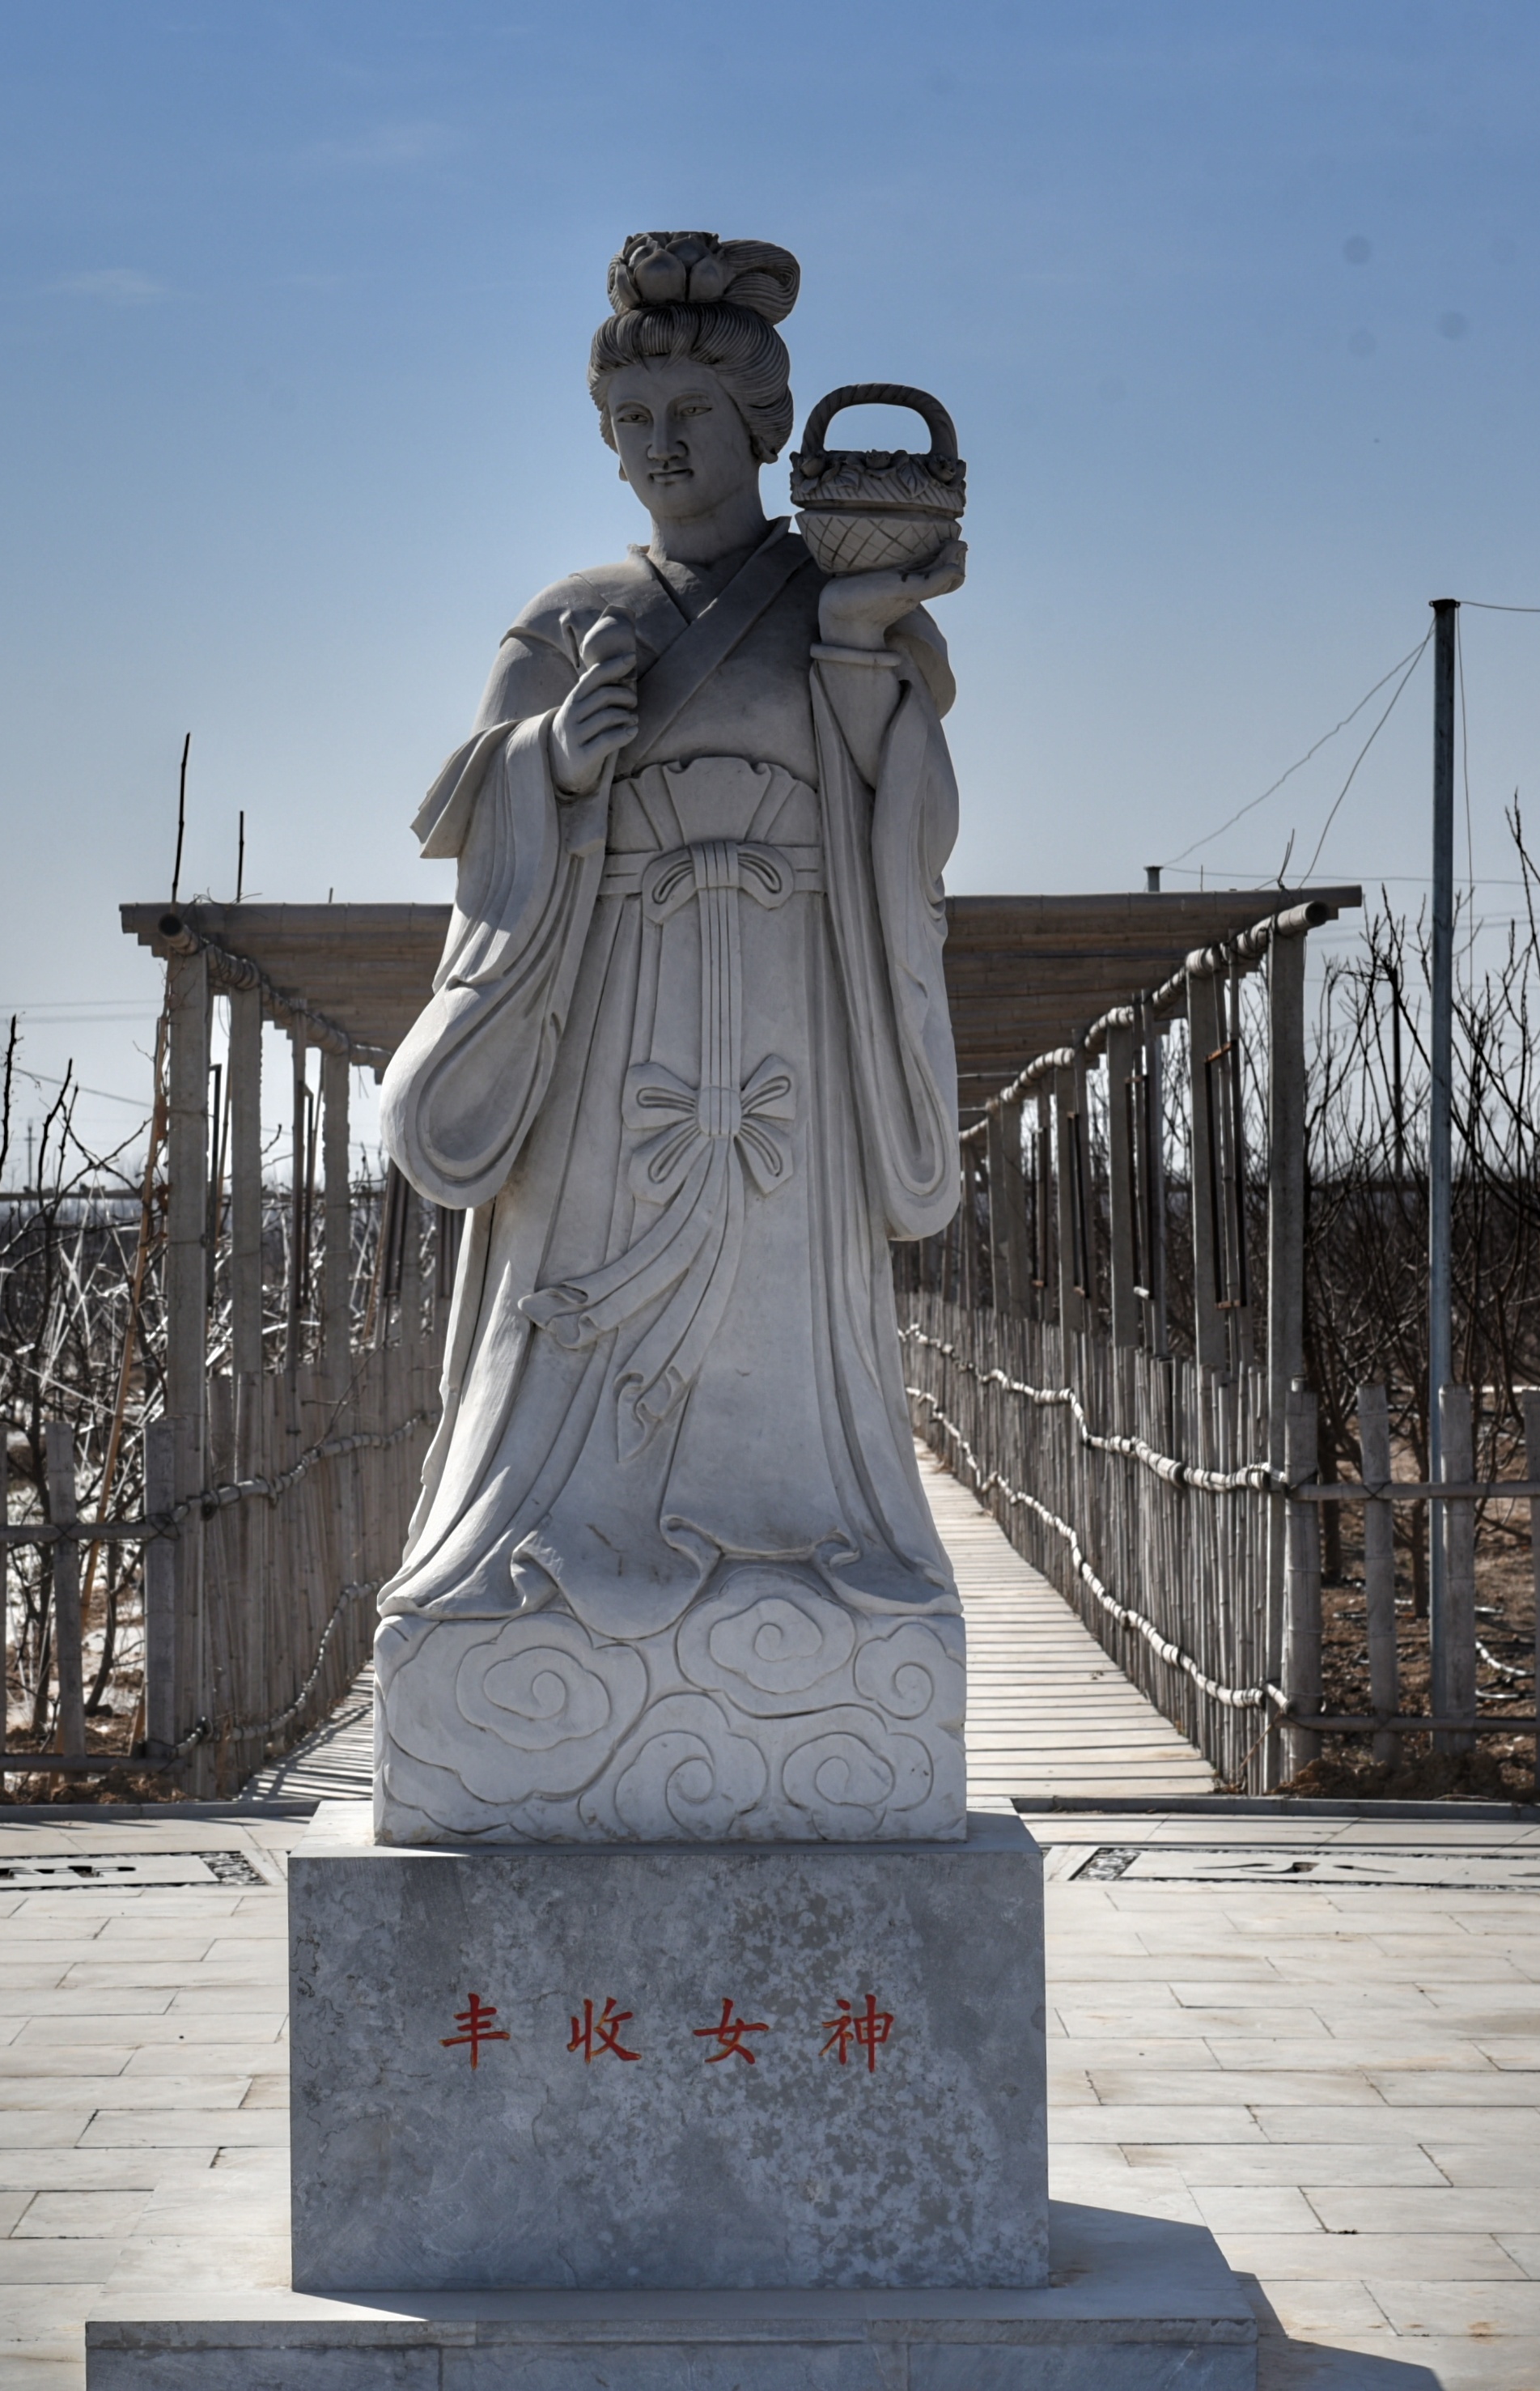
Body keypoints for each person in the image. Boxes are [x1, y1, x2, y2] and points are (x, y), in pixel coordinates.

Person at [369, 231, 971, 1841]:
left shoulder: (825, 596)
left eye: (689, 415)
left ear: (762, 423)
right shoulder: (566, 621)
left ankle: (807, 1542)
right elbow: (474, 820)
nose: (659, 448)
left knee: (785, 1309)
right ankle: (544, 1543)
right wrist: (555, 770)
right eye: (631, 423)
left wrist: (859, 654)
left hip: (789, 998)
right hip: (610, 1011)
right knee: (577, 1302)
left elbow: (912, 819)